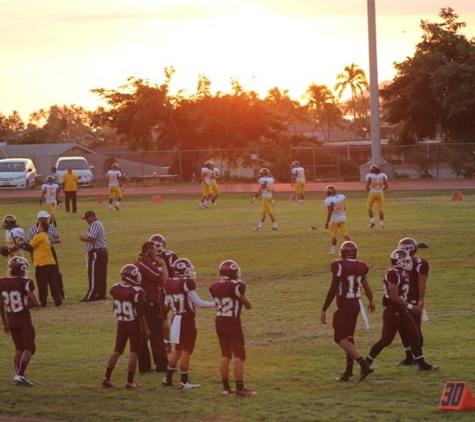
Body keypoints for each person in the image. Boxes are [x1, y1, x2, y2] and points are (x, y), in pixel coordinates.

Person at [361, 249, 439, 381]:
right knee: (386, 340)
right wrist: (411, 307)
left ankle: (422, 364)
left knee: (415, 336)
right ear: (398, 261)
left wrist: (408, 307)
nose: (408, 262)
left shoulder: (403, 273)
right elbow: (394, 297)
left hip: (402, 311)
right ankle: (366, 363)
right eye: (405, 260)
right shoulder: (393, 274)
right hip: (393, 312)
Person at [320, 241, 375, 382]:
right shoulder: (361, 266)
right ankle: (348, 371)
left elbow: (333, 288)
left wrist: (324, 308)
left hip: (345, 304)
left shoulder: (339, 265)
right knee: (349, 338)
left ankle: (364, 365)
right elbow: (366, 286)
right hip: (356, 303)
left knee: (339, 338)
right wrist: (371, 300)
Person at [162, 258, 215, 389]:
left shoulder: (168, 282)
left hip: (176, 317)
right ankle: (184, 381)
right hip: (186, 319)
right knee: (186, 350)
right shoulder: (186, 282)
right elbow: (198, 303)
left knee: (178, 349)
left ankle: (167, 378)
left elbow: (166, 304)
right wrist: (216, 304)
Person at [209, 260, 256, 396]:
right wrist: (241, 296)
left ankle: (225, 387)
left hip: (219, 323)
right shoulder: (237, 285)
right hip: (232, 324)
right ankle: (240, 388)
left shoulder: (214, 286)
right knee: (239, 355)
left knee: (225, 355)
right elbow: (248, 305)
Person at [102, 264, 151, 389]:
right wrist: (145, 328)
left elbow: (115, 293)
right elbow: (139, 313)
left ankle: (106, 378)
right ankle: (130, 381)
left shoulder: (115, 288)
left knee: (117, 350)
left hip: (121, 323)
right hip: (133, 324)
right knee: (134, 352)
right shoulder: (137, 291)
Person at [0, 257, 41, 386]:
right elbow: (36, 303)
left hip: (10, 317)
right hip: (23, 318)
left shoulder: (2, 281)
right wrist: (34, 303)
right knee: (29, 348)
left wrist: (5, 323)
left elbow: (1, 305)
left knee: (19, 348)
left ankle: (18, 374)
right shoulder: (25, 282)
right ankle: (20, 374)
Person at [134, 242, 170, 374]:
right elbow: (164, 279)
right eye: (155, 251)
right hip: (149, 303)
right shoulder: (145, 265)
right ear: (149, 252)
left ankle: (144, 367)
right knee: (156, 335)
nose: (157, 253)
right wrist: (163, 265)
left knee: (142, 334)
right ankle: (162, 365)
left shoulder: (137, 264)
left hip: (140, 303)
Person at [396, 238, 430, 366]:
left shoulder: (420, 263)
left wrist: (420, 302)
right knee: (401, 328)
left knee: (414, 329)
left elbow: (422, 285)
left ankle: (418, 358)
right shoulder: (401, 262)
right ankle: (409, 356)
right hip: (403, 299)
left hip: (414, 300)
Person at [26, 211, 66, 301]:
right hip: (37, 252)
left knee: (56, 274)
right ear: (39, 219)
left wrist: (51, 241)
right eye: (44, 218)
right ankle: (49, 298)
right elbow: (29, 243)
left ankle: (60, 293)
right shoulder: (32, 229)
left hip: (50, 250)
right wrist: (32, 255)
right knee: (42, 276)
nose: (46, 219)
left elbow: (58, 238)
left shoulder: (50, 227)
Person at [22, 221, 62, 308]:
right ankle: (58, 300)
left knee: (42, 284)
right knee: (53, 282)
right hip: (51, 262)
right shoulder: (45, 236)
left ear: (43, 228)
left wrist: (21, 243)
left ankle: (43, 302)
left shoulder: (39, 236)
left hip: (42, 263)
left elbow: (29, 247)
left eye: (39, 227)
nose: (37, 228)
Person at [79, 210, 108, 302]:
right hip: (102, 252)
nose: (87, 221)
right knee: (101, 274)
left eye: (87, 219)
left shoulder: (94, 225)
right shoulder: (98, 223)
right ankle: (101, 293)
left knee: (93, 275)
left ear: (91, 217)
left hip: (96, 253)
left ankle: (90, 295)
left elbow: (91, 239)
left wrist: (83, 238)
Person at [323, 185, 350, 255]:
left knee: (333, 235)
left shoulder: (328, 200)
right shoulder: (341, 197)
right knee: (345, 234)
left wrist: (326, 223)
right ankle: (351, 247)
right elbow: (344, 208)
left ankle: (333, 251)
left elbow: (330, 212)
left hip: (335, 220)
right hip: (343, 218)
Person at [365, 164, 388, 228]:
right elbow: (386, 186)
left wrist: (372, 189)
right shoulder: (382, 175)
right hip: (380, 193)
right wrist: (380, 189)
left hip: (372, 193)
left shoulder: (370, 176)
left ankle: (372, 222)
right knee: (380, 209)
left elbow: (366, 187)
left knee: (369, 208)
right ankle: (382, 224)